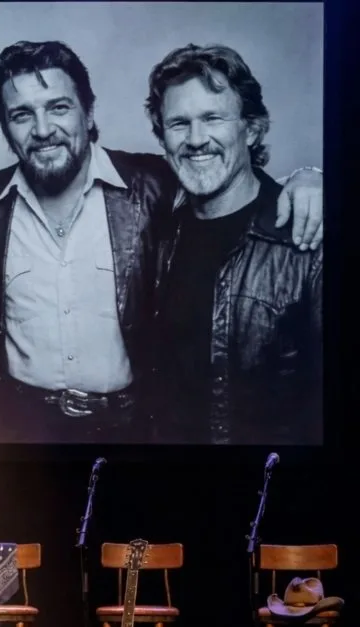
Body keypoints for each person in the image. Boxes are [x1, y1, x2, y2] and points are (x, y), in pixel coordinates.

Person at [0, 40, 323, 444]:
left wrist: (312, 177)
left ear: (88, 111)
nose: (44, 129)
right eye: (21, 115)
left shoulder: (150, 186)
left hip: (133, 429)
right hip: (26, 427)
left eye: (59, 107)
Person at [146, 43, 322, 445]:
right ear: (162, 136)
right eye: (178, 123)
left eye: (213, 118)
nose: (195, 139)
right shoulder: (158, 232)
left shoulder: (306, 237)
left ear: (252, 127)